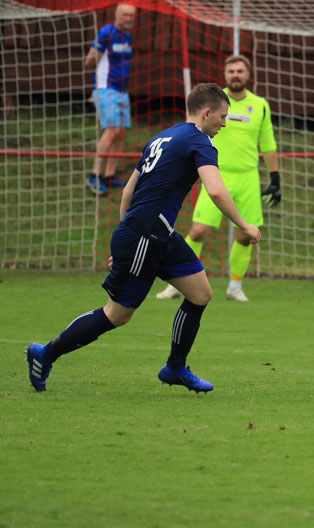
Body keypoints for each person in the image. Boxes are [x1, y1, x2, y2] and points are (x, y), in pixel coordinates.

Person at [26, 83, 261, 393]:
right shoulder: (200, 141)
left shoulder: (163, 137)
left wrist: (127, 234)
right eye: (222, 116)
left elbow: (129, 191)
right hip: (145, 235)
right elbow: (215, 189)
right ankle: (46, 353)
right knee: (117, 315)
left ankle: (175, 367)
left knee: (200, 293)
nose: (224, 123)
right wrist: (244, 225)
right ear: (206, 113)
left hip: (155, 234)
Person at [156, 54, 280, 302]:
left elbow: (267, 144)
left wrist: (275, 178)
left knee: (247, 235)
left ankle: (235, 287)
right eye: (231, 71)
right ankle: (179, 283)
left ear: (248, 74)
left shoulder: (260, 105)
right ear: (225, 75)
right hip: (215, 174)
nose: (236, 75)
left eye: (240, 71)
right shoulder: (212, 102)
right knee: (199, 231)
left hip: (248, 179)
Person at [85, 3, 136, 196]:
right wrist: (97, 89)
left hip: (122, 91)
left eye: (131, 15)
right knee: (112, 130)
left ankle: (109, 175)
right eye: (125, 15)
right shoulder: (107, 32)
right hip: (106, 90)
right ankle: (94, 175)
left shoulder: (127, 36)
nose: (129, 18)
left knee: (121, 133)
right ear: (117, 15)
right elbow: (91, 60)